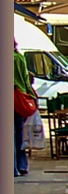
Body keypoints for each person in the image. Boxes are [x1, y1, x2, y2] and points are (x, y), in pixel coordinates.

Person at [14, 41, 36, 177]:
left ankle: (12, 168)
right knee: (19, 132)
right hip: (19, 97)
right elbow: (26, 79)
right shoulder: (19, 57)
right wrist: (32, 96)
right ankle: (21, 165)